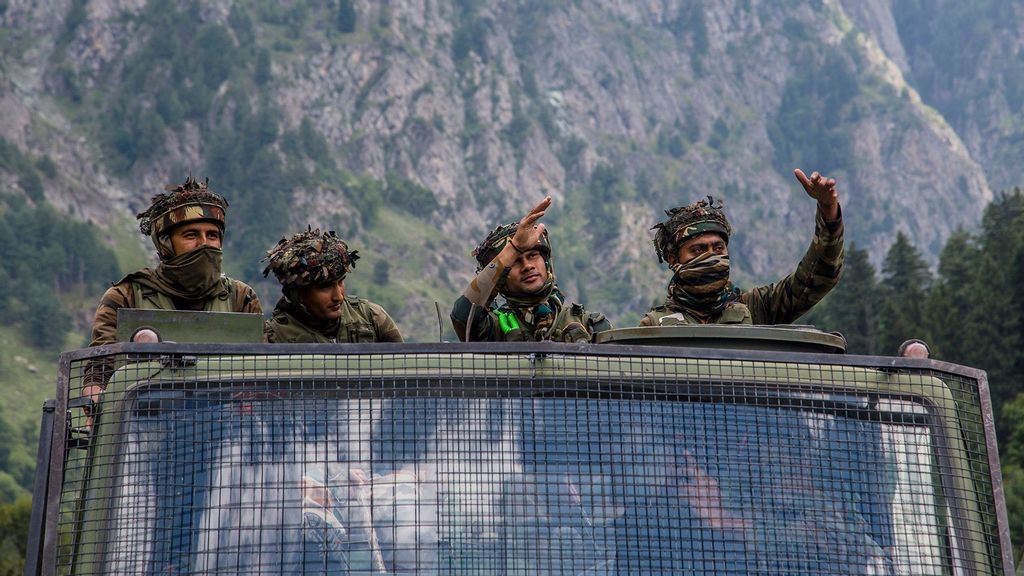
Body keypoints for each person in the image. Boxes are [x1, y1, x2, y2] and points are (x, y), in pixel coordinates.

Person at [83, 176, 262, 400]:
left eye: (212, 235)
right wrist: (94, 402)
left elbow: (260, 377)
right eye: (191, 235)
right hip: (145, 426)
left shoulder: (240, 297)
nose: (204, 244)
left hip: (227, 428)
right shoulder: (126, 296)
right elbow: (100, 373)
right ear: (166, 244)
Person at [642, 169, 844, 326]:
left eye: (718, 248)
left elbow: (816, 278)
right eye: (699, 250)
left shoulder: (756, 308)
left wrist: (828, 210)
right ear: (674, 259)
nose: (712, 256)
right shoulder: (654, 326)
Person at [451, 196, 610, 342]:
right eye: (515, 262)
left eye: (533, 255)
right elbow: (462, 318)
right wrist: (513, 249)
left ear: (546, 261)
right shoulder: (494, 327)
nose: (527, 266)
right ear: (502, 277)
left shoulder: (589, 324)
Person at [262, 227, 402, 343]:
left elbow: (406, 369)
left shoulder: (371, 317)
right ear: (298, 293)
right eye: (325, 287)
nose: (338, 296)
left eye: (341, 281)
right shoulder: (273, 337)